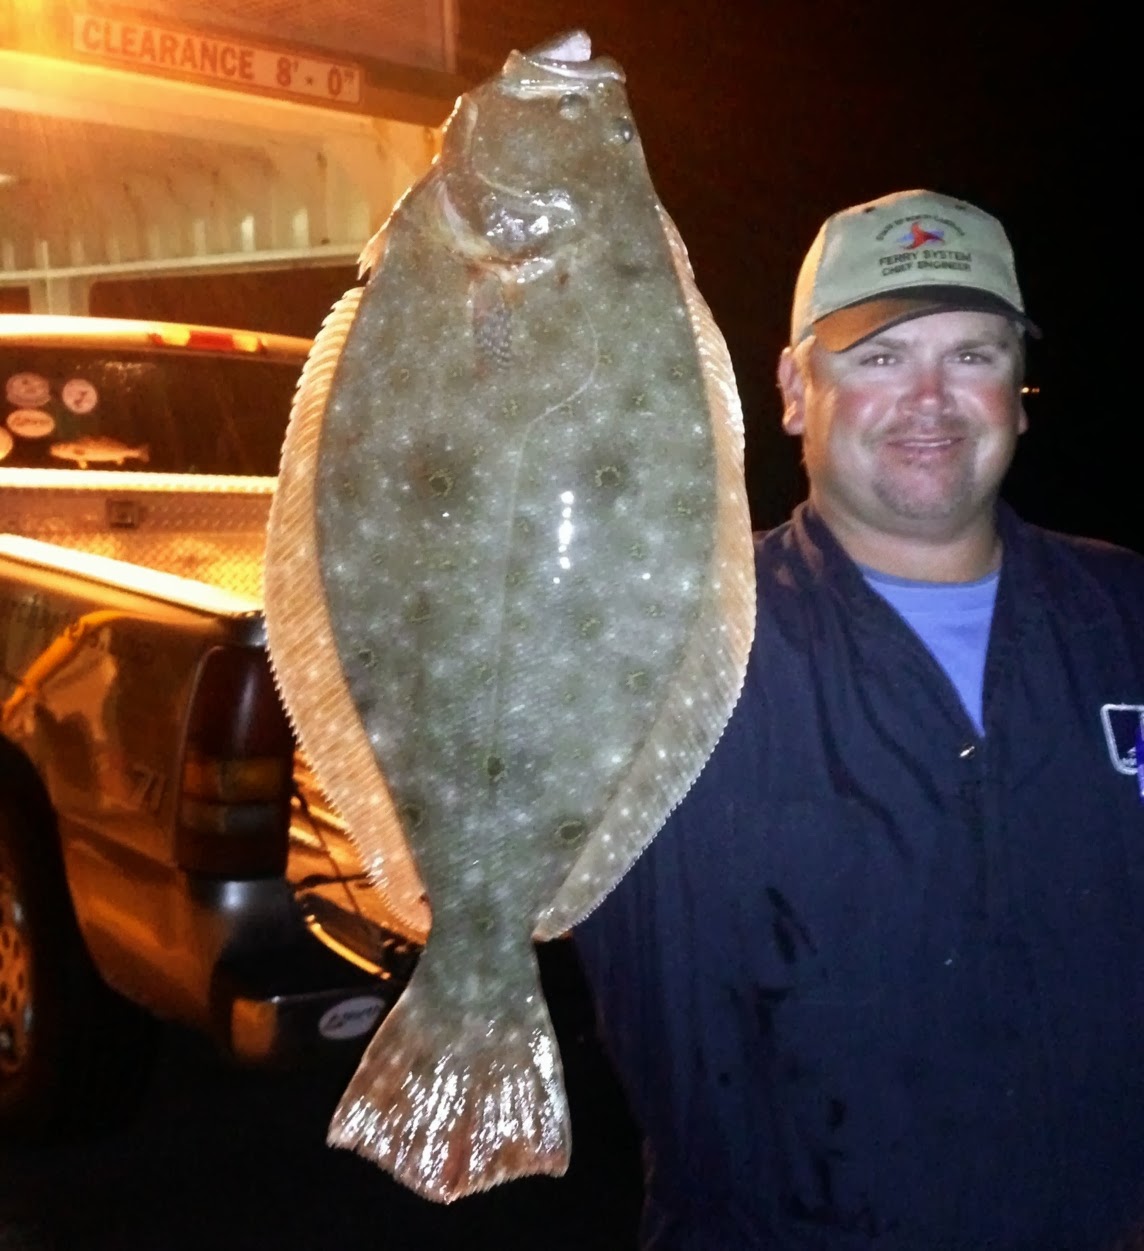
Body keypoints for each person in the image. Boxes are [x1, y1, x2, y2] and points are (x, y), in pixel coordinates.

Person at [574, 189, 1144, 1251]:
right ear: (794, 389)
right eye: (877, 356)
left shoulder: (1124, 614)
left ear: (1018, 395)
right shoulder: (652, 647)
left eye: (971, 354)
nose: (929, 397)